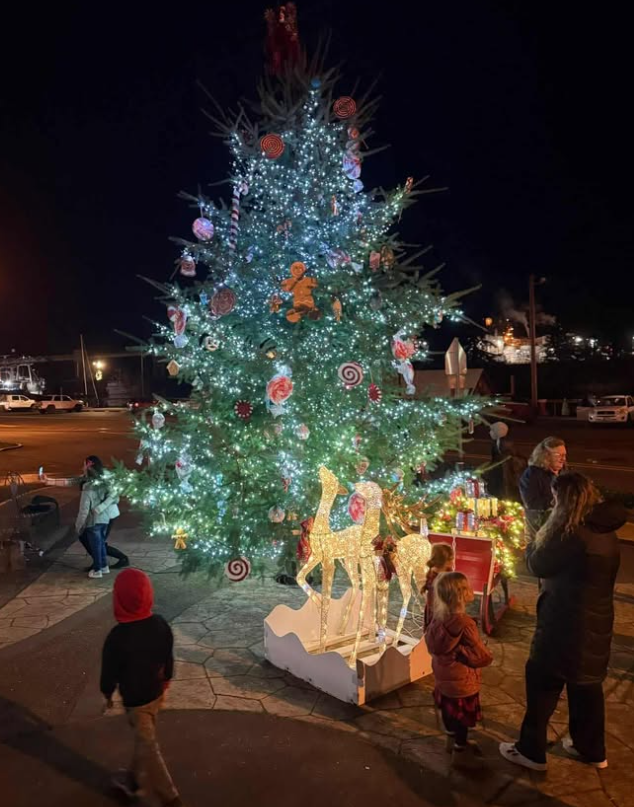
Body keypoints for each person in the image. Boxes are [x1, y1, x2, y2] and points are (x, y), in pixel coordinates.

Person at [499, 473, 625, 772]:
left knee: (542, 684)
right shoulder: (604, 529)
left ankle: (531, 750)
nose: (553, 502)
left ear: (566, 501)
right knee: (587, 687)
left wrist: (533, 541)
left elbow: (537, 563)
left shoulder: (572, 534)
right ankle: (591, 748)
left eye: (556, 498)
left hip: (564, 624)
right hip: (595, 622)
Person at [101, 569, 183, 807]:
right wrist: (167, 678)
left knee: (148, 744)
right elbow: (167, 655)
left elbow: (109, 672)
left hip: (136, 701)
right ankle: (134, 780)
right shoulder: (159, 624)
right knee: (144, 738)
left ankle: (171, 798)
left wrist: (107, 693)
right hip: (157, 692)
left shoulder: (117, 637)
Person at [425, 571, 493, 764]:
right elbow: (480, 656)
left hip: (444, 678)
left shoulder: (437, 618)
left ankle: (450, 739)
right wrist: (487, 655)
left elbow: (432, 646)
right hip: (463, 682)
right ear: (462, 594)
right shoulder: (465, 624)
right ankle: (460, 752)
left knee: (449, 710)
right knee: (462, 717)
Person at [519, 436, 566, 538]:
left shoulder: (564, 472)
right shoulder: (532, 474)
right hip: (540, 530)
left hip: (560, 527)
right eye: (558, 455)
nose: (563, 459)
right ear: (546, 456)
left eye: (564, 455)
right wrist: (557, 502)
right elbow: (531, 503)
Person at [75, 457, 112, 579]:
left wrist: (78, 526)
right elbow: (113, 496)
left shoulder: (88, 488)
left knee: (95, 546)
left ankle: (97, 569)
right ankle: (104, 566)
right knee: (101, 543)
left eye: (84, 466)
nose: (82, 468)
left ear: (89, 468)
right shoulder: (105, 482)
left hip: (93, 520)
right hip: (105, 518)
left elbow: (84, 510)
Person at [486, 422, 526, 501]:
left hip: (505, 475)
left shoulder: (505, 444)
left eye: (492, 430)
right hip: (499, 473)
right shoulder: (497, 443)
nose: (490, 432)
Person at [423, 543, 454, 629]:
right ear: (446, 561)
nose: (453, 561)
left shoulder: (442, 573)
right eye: (451, 559)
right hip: (438, 617)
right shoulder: (437, 581)